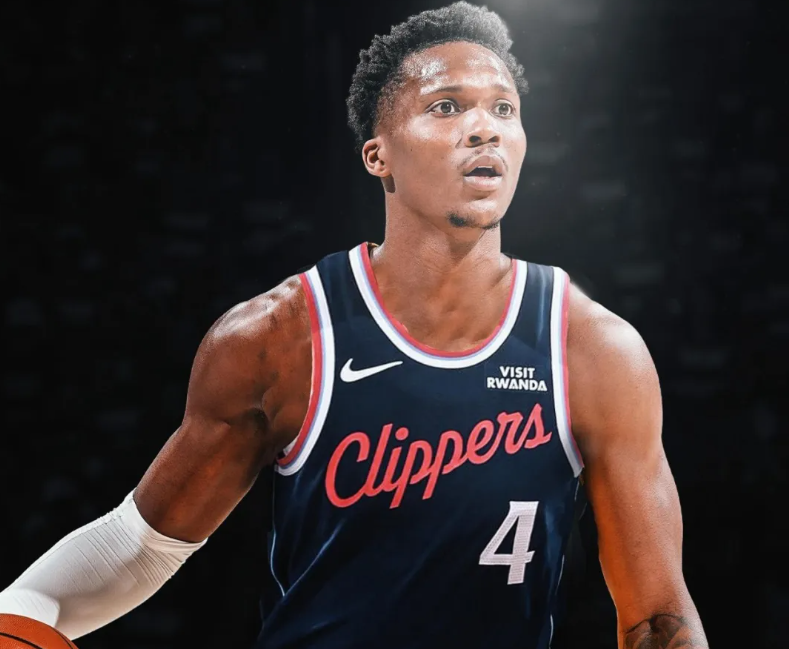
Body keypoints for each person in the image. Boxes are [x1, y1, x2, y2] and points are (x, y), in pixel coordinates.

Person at [0, 3, 709, 648]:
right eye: (446, 106)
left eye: (503, 108)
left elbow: (656, 617)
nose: (484, 126)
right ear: (379, 156)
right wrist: (24, 605)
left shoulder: (592, 349)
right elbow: (143, 545)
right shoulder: (276, 339)